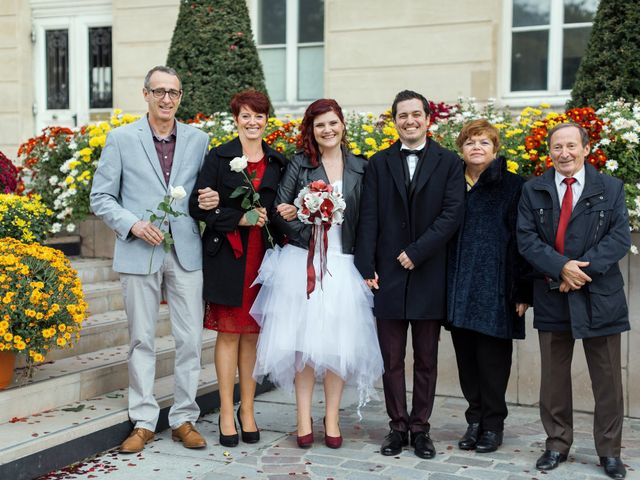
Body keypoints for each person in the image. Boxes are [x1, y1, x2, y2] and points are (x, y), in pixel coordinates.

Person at [90, 65, 219, 453]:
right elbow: (101, 197)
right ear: (145, 93)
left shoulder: (199, 140)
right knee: (141, 339)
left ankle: (183, 418)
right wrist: (131, 224)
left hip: (185, 252)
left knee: (190, 340)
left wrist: (211, 201)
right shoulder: (120, 139)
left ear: (181, 97)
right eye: (159, 91)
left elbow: (204, 195)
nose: (167, 99)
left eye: (174, 92)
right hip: (138, 251)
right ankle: (143, 421)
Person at [251, 99, 383, 449]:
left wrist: (369, 263)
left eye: (333, 123)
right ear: (311, 129)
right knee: (304, 347)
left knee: (338, 345)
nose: (328, 130)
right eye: (320, 124)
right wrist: (312, 229)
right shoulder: (300, 165)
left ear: (342, 125)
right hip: (304, 262)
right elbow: (280, 212)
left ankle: (333, 417)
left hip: (344, 264)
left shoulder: (361, 167)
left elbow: (369, 218)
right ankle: (303, 416)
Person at [354, 90, 465, 459]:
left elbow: (452, 214)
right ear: (395, 121)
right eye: (403, 115)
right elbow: (368, 216)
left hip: (429, 271)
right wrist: (365, 265)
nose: (410, 121)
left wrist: (417, 253)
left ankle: (421, 428)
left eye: (416, 114)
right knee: (391, 359)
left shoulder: (449, 162)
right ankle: (397, 426)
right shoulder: (378, 162)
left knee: (427, 359)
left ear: (428, 119)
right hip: (386, 274)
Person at [517, 123, 630, 479]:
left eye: (570, 146)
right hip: (553, 293)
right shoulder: (532, 190)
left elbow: (619, 238)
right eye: (556, 147)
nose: (563, 153)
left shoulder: (610, 188)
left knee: (608, 379)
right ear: (548, 152)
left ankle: (610, 452)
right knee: (553, 379)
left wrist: (580, 272)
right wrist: (561, 267)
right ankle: (556, 444)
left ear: (585, 148)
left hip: (600, 296)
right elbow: (526, 239)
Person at [188, 90, 285, 448]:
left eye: (259, 116)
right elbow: (198, 207)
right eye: (246, 115)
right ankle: (227, 412)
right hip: (228, 258)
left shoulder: (277, 161)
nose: (252, 122)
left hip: (265, 261)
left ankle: (248, 410)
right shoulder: (220, 156)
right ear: (236, 119)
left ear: (266, 120)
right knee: (229, 334)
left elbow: (281, 209)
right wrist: (238, 217)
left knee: (253, 337)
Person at [446, 119, 532, 453]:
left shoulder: (513, 186)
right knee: (466, 360)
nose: (477, 148)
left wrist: (523, 289)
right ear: (461, 149)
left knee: (494, 361)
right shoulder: (452, 183)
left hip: (497, 288)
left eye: (484, 142)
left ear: (495, 149)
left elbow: (524, 240)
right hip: (457, 286)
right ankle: (474, 421)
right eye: (470, 142)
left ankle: (493, 425)